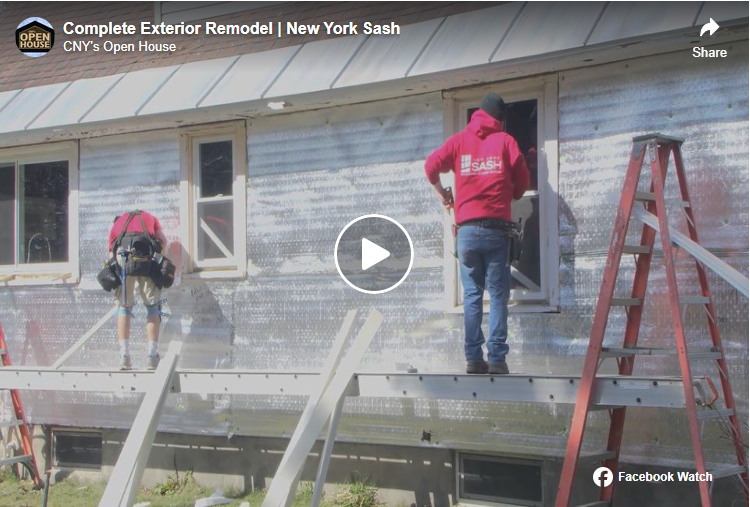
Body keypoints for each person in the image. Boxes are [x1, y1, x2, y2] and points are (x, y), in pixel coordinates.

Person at [424, 93, 530, 375]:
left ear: (478, 115)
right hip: (497, 233)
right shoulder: (506, 142)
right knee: (497, 296)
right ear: (501, 120)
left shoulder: (460, 141)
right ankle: (496, 359)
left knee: (472, 295)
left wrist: (444, 194)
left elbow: (430, 167)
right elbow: (521, 185)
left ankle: (473, 358)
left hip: (467, 232)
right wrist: (509, 191)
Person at [108, 210, 168, 370]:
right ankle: (152, 356)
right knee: (153, 306)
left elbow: (110, 249)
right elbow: (163, 240)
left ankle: (124, 356)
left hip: (123, 260)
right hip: (145, 258)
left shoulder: (119, 221)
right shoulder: (150, 217)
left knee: (124, 308)